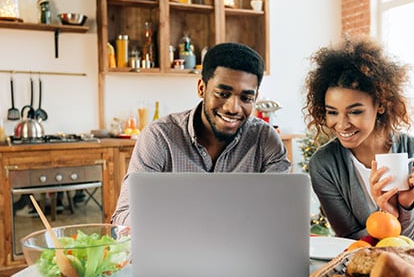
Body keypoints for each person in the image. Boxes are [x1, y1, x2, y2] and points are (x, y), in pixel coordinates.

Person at [111, 42, 290, 226]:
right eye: (222, 93)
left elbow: (281, 213)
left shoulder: (265, 139)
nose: (233, 108)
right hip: (175, 249)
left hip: (244, 250)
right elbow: (124, 216)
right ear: (201, 88)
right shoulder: (159, 137)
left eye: (246, 98)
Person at [303, 35, 414, 251]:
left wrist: (406, 205)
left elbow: (412, 244)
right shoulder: (324, 164)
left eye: (355, 112)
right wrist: (387, 215)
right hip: (363, 266)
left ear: (381, 105)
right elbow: (349, 241)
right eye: (332, 112)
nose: (341, 125)